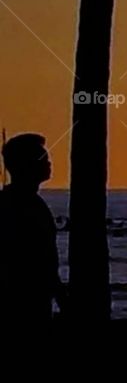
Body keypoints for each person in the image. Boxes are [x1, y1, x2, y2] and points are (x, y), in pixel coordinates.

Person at [0, 133, 66, 323]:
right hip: (24, 304)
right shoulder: (23, 206)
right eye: (42, 158)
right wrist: (62, 298)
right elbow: (41, 262)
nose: (49, 162)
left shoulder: (32, 203)